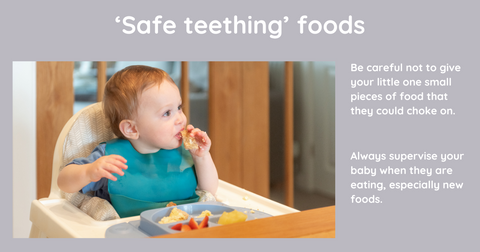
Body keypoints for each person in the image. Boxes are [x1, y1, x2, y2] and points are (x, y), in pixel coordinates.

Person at [57, 65, 218, 218]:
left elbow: (210, 192)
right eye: (167, 113)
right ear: (131, 129)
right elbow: (63, 183)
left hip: (186, 227)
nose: (180, 119)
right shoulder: (112, 159)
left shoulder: (186, 150)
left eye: (179, 107)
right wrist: (89, 171)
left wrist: (201, 157)